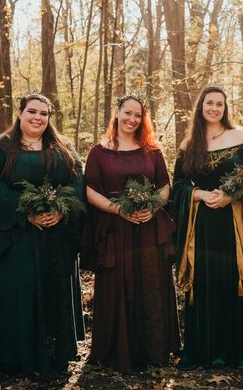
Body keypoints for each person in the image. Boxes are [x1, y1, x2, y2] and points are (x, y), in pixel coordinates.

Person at [0, 93, 85, 375]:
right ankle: (15, 356)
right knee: (20, 290)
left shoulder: (63, 146)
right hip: (15, 233)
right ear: (20, 114)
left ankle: (53, 354)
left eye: (44, 114)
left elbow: (78, 178)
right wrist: (26, 212)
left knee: (53, 289)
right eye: (32, 112)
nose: (38, 118)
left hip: (56, 234)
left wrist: (62, 210)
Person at [171, 86, 243, 370]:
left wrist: (231, 195)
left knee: (231, 280)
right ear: (200, 106)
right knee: (204, 283)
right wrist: (198, 195)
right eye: (209, 103)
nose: (214, 108)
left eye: (219, 104)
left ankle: (232, 349)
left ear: (226, 108)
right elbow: (178, 185)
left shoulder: (240, 137)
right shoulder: (189, 144)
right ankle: (204, 347)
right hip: (200, 225)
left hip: (234, 224)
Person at [82, 94, 179, 373]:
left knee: (151, 284)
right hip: (115, 232)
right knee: (118, 286)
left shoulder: (152, 151)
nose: (132, 120)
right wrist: (118, 210)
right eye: (128, 113)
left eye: (138, 115)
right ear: (117, 112)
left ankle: (154, 349)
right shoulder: (98, 152)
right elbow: (90, 191)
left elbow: (164, 185)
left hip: (148, 230)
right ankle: (117, 350)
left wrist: (153, 206)